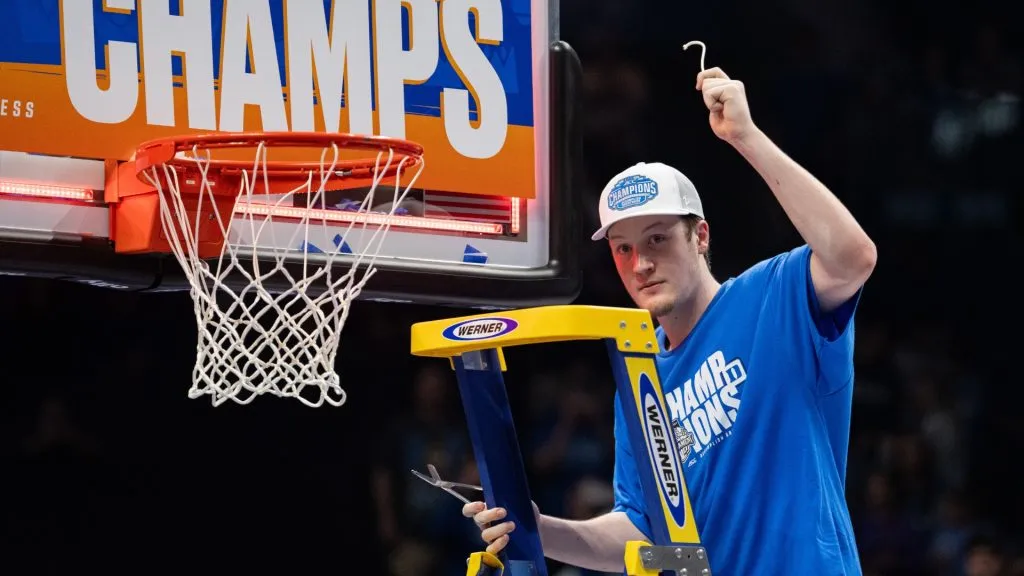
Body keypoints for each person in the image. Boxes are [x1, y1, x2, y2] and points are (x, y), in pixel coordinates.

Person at [461, 65, 877, 574]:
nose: (640, 264)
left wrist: (746, 137)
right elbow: (639, 527)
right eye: (623, 248)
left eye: (657, 239)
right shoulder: (638, 374)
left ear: (700, 237)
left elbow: (853, 257)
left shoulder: (772, 295)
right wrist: (539, 527)